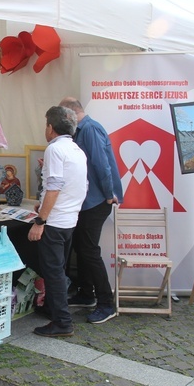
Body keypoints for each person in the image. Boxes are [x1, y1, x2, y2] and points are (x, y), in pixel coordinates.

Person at [59, 97, 124, 325]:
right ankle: (87, 295)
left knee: (89, 250)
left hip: (97, 200)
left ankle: (106, 303)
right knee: (82, 247)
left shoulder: (90, 129)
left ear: (70, 114)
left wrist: (108, 194)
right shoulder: (83, 130)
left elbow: (101, 164)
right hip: (89, 200)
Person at [28, 106, 87, 337]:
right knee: (58, 269)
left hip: (54, 222)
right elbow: (78, 186)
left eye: (46, 125)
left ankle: (62, 322)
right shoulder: (76, 150)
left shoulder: (55, 149)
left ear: (50, 128)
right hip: (69, 219)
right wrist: (43, 205)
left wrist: (40, 221)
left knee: (53, 272)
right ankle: (55, 310)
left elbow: (54, 187)